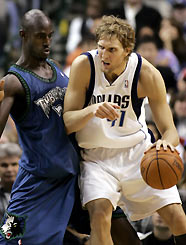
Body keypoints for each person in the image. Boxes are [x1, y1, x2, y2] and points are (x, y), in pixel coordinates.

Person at [63, 15, 186, 245]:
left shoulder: (146, 73)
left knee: (178, 219)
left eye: (111, 49)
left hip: (137, 154)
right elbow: (67, 121)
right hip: (96, 158)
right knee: (100, 216)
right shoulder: (84, 66)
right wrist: (92, 110)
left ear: (127, 50)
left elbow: (169, 130)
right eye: (100, 47)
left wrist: (165, 144)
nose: (104, 55)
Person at [0, 9, 79, 244]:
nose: (47, 42)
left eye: (50, 36)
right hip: (34, 185)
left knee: (109, 222)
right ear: (23, 35)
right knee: (7, 239)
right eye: (40, 36)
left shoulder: (55, 67)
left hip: (70, 177)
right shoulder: (14, 81)